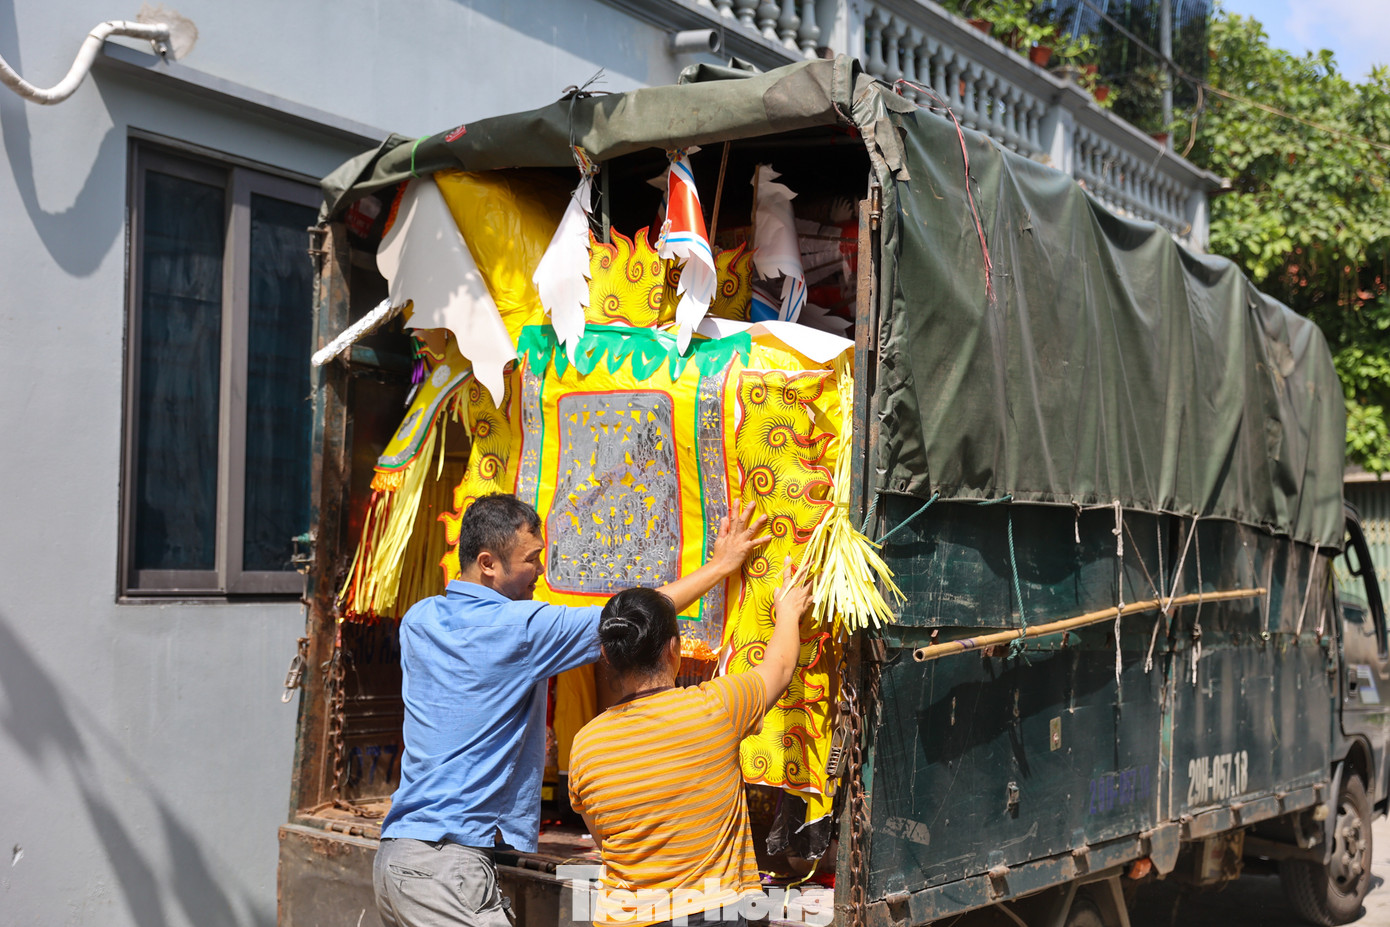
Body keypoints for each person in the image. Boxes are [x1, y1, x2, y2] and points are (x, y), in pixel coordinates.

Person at [373, 493, 771, 927]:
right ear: (488, 563)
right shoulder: (522, 629)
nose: (541, 570)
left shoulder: (419, 620)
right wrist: (721, 566)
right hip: (446, 868)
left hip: (396, 857)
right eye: (531, 559)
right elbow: (639, 617)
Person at [567, 558, 813, 927]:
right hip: (710, 913)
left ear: (607, 655)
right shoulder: (717, 706)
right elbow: (779, 667)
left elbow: (605, 839)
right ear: (674, 649)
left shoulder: (585, 744)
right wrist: (789, 611)